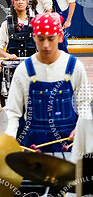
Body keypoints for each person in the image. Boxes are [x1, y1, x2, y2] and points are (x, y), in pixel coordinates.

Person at [5, 12, 89, 152]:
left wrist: (81, 128)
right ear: (34, 37)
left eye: (51, 39)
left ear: (60, 37)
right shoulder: (24, 70)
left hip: (68, 146)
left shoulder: (74, 67)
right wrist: (9, 136)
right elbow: (13, 111)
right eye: (41, 38)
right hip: (33, 146)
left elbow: (85, 104)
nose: (45, 45)